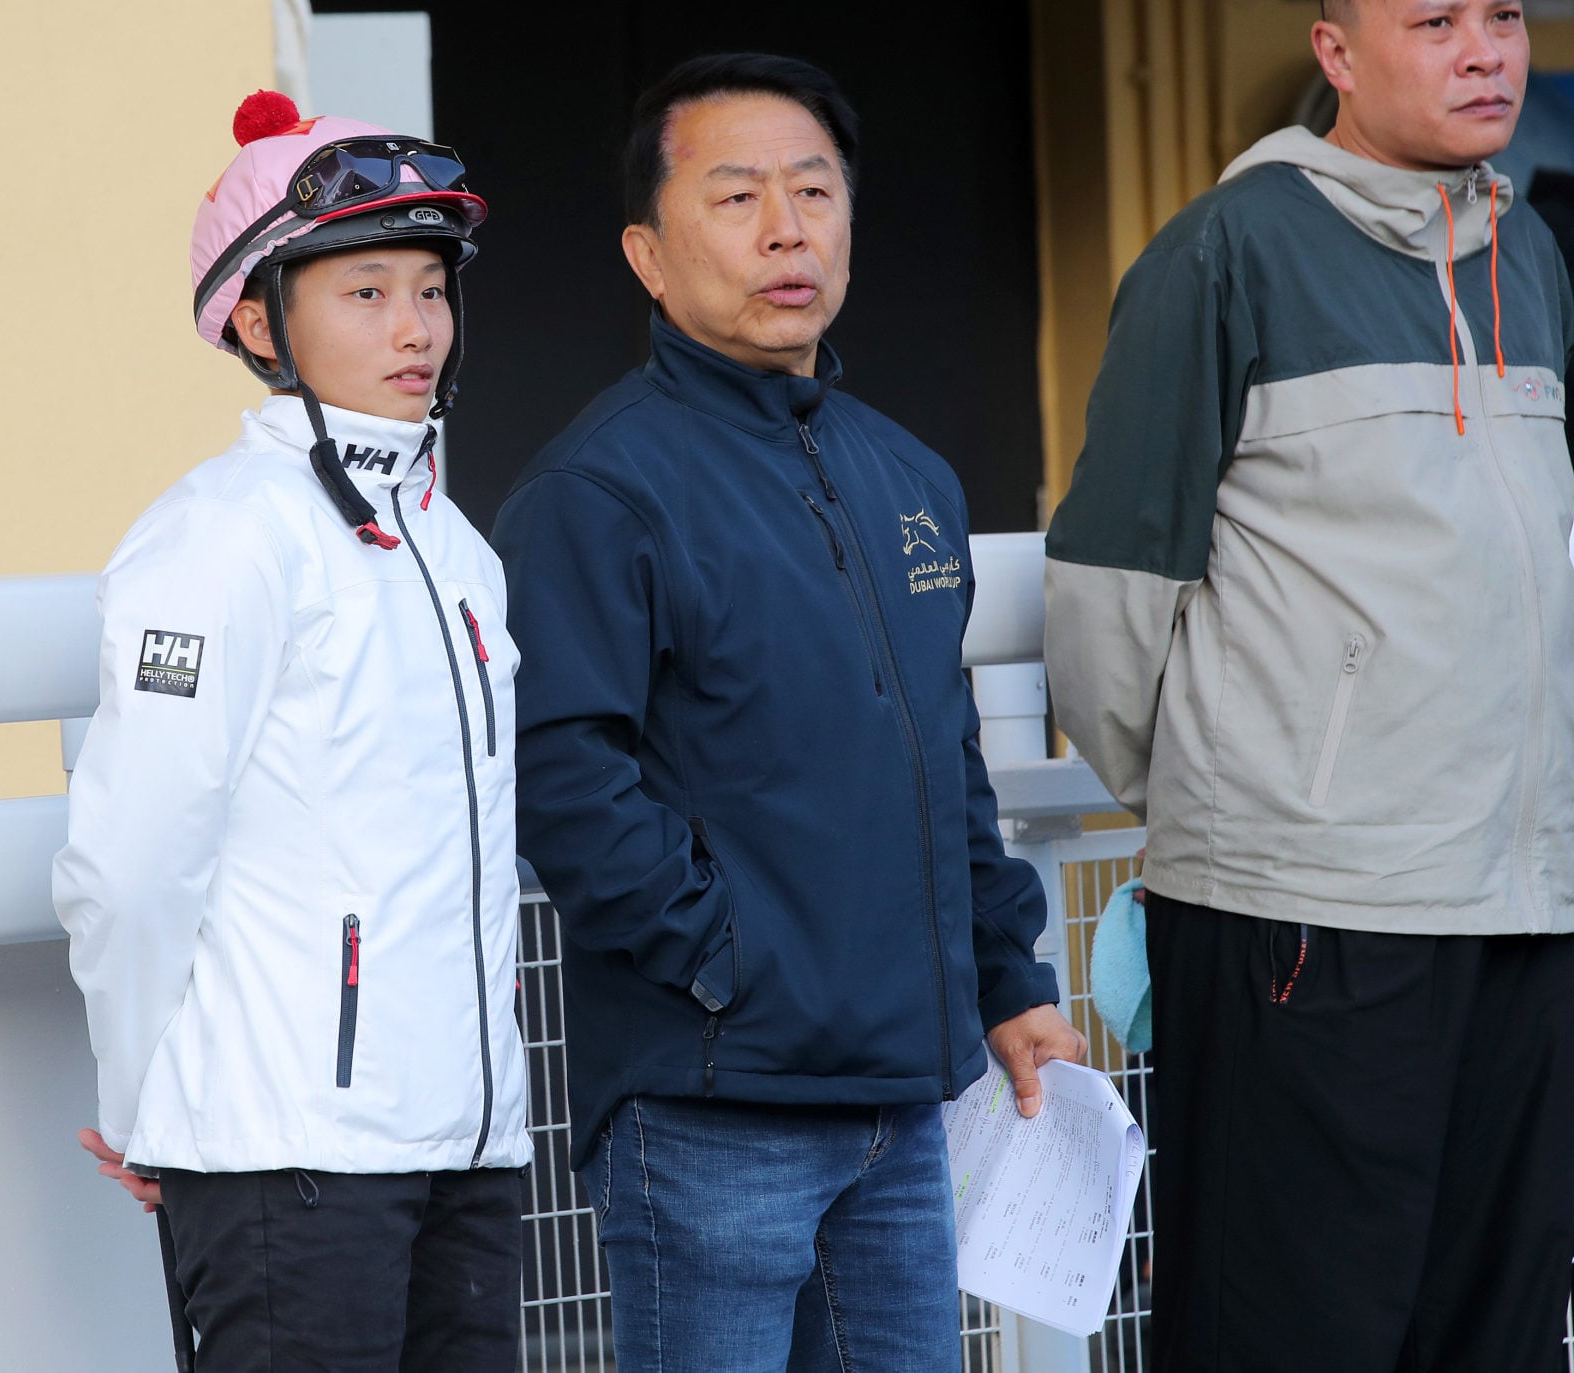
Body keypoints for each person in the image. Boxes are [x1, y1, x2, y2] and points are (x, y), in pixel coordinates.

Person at [491, 53, 1084, 1372]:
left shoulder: (903, 473)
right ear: (648, 254)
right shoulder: (597, 490)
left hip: (899, 1092)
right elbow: (560, 774)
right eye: (739, 196)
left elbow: (948, 761)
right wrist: (727, 958)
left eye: (815, 192)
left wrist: (1005, 979)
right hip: (716, 1095)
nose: (786, 230)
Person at [1043, 2, 1574, 1368]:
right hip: (1306, 910)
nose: (1485, 49)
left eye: (1505, 15)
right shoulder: (1227, 251)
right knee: (1292, 1331)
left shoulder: (1536, 255)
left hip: (1519, 900)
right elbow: (1109, 593)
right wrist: (1247, 800)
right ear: (1336, 53)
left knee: (1496, 1332)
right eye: (1436, 20)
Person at [51, 90, 530, 1372]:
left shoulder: (455, 545)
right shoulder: (219, 533)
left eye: (430, 287)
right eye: (363, 291)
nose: (416, 325)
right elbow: (132, 854)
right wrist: (141, 1097)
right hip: (287, 1154)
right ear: (259, 317)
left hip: (465, 1148)